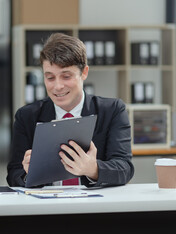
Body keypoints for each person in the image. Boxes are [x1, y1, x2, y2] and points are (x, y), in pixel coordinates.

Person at [7, 33, 134, 188]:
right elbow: (13, 174)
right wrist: (28, 174)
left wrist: (93, 169)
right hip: (45, 207)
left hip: (94, 205)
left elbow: (124, 168)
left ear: (84, 72)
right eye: (50, 78)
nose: (58, 86)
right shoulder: (27, 116)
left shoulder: (112, 110)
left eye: (66, 76)